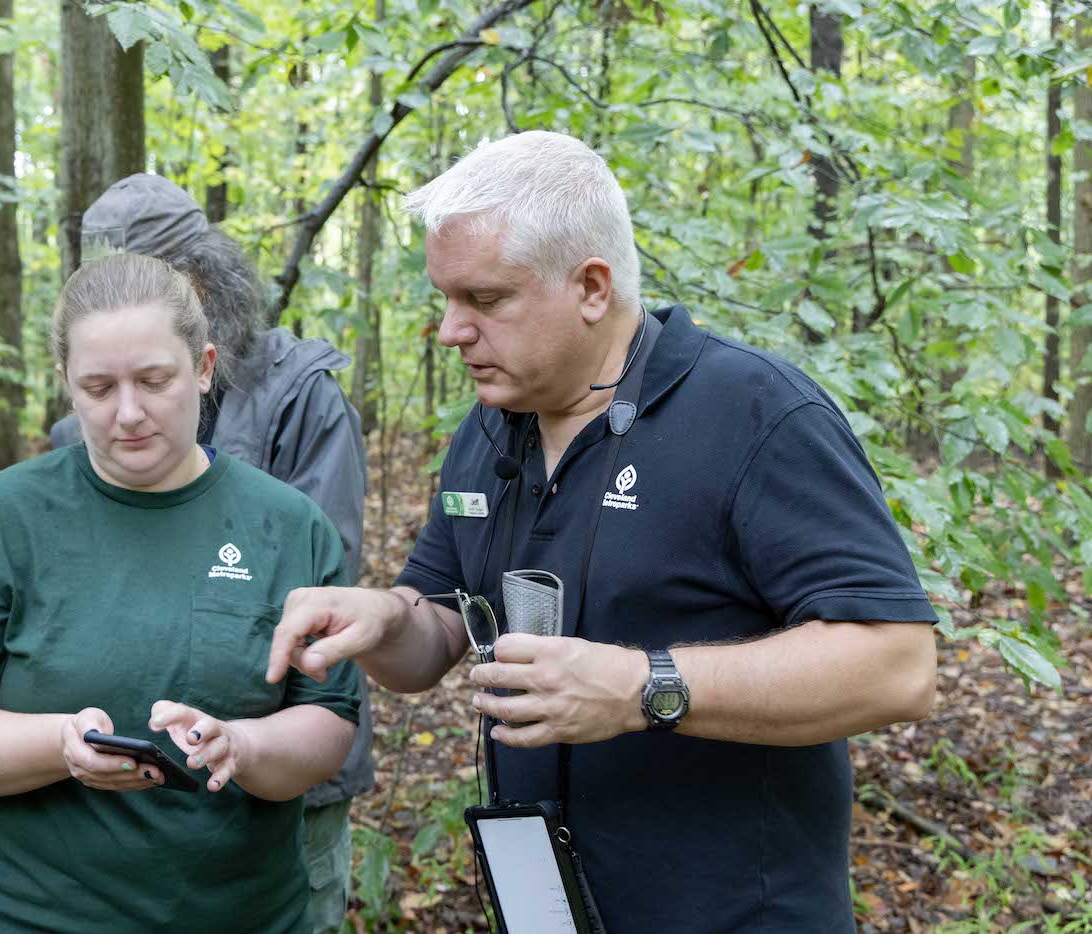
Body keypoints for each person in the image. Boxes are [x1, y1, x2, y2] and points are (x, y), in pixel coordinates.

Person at [266, 131, 938, 934]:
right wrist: (382, 618)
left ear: (591, 287)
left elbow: (897, 666)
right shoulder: (489, 430)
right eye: (445, 298)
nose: (450, 331)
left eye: (485, 300)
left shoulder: (754, 413)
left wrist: (639, 688)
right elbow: (436, 633)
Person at [0, 253, 360, 933]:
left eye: (154, 380)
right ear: (66, 384)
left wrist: (242, 747)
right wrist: (61, 743)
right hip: (22, 918)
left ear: (204, 367)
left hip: (240, 916)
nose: (129, 413)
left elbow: (328, 723)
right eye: (99, 387)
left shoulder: (288, 527)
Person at [48, 174, 374, 932]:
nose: (127, 408)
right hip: (129, 788)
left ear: (201, 279)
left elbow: (322, 597)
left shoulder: (300, 394)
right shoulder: (85, 428)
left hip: (279, 776)